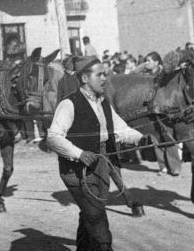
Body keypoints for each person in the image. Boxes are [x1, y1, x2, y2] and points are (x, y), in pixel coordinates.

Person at [47, 56, 142, 251]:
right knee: (98, 221)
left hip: (102, 165)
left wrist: (142, 138)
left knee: (90, 213)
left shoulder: (103, 103)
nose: (104, 78)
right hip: (76, 170)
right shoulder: (69, 104)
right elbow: (53, 138)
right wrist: (79, 153)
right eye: (99, 75)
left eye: (105, 74)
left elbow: (122, 130)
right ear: (84, 79)